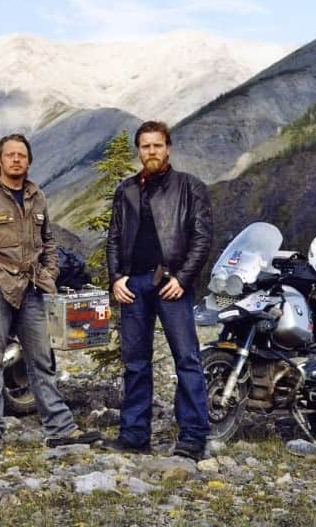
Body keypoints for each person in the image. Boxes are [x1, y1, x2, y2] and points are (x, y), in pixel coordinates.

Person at [0, 133, 99, 457]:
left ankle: (60, 429)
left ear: (29, 161)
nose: (16, 159)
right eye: (10, 155)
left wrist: (50, 273)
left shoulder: (38, 197)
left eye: (22, 155)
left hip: (32, 290)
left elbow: (48, 242)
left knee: (41, 360)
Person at [104, 121, 213, 460]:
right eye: (145, 146)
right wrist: (115, 278)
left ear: (168, 148)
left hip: (172, 285)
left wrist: (182, 278)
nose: (151, 151)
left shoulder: (189, 187)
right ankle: (135, 435)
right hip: (133, 285)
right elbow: (114, 238)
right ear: (139, 150)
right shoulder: (127, 191)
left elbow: (202, 238)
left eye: (157, 145)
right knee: (135, 363)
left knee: (187, 359)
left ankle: (193, 436)